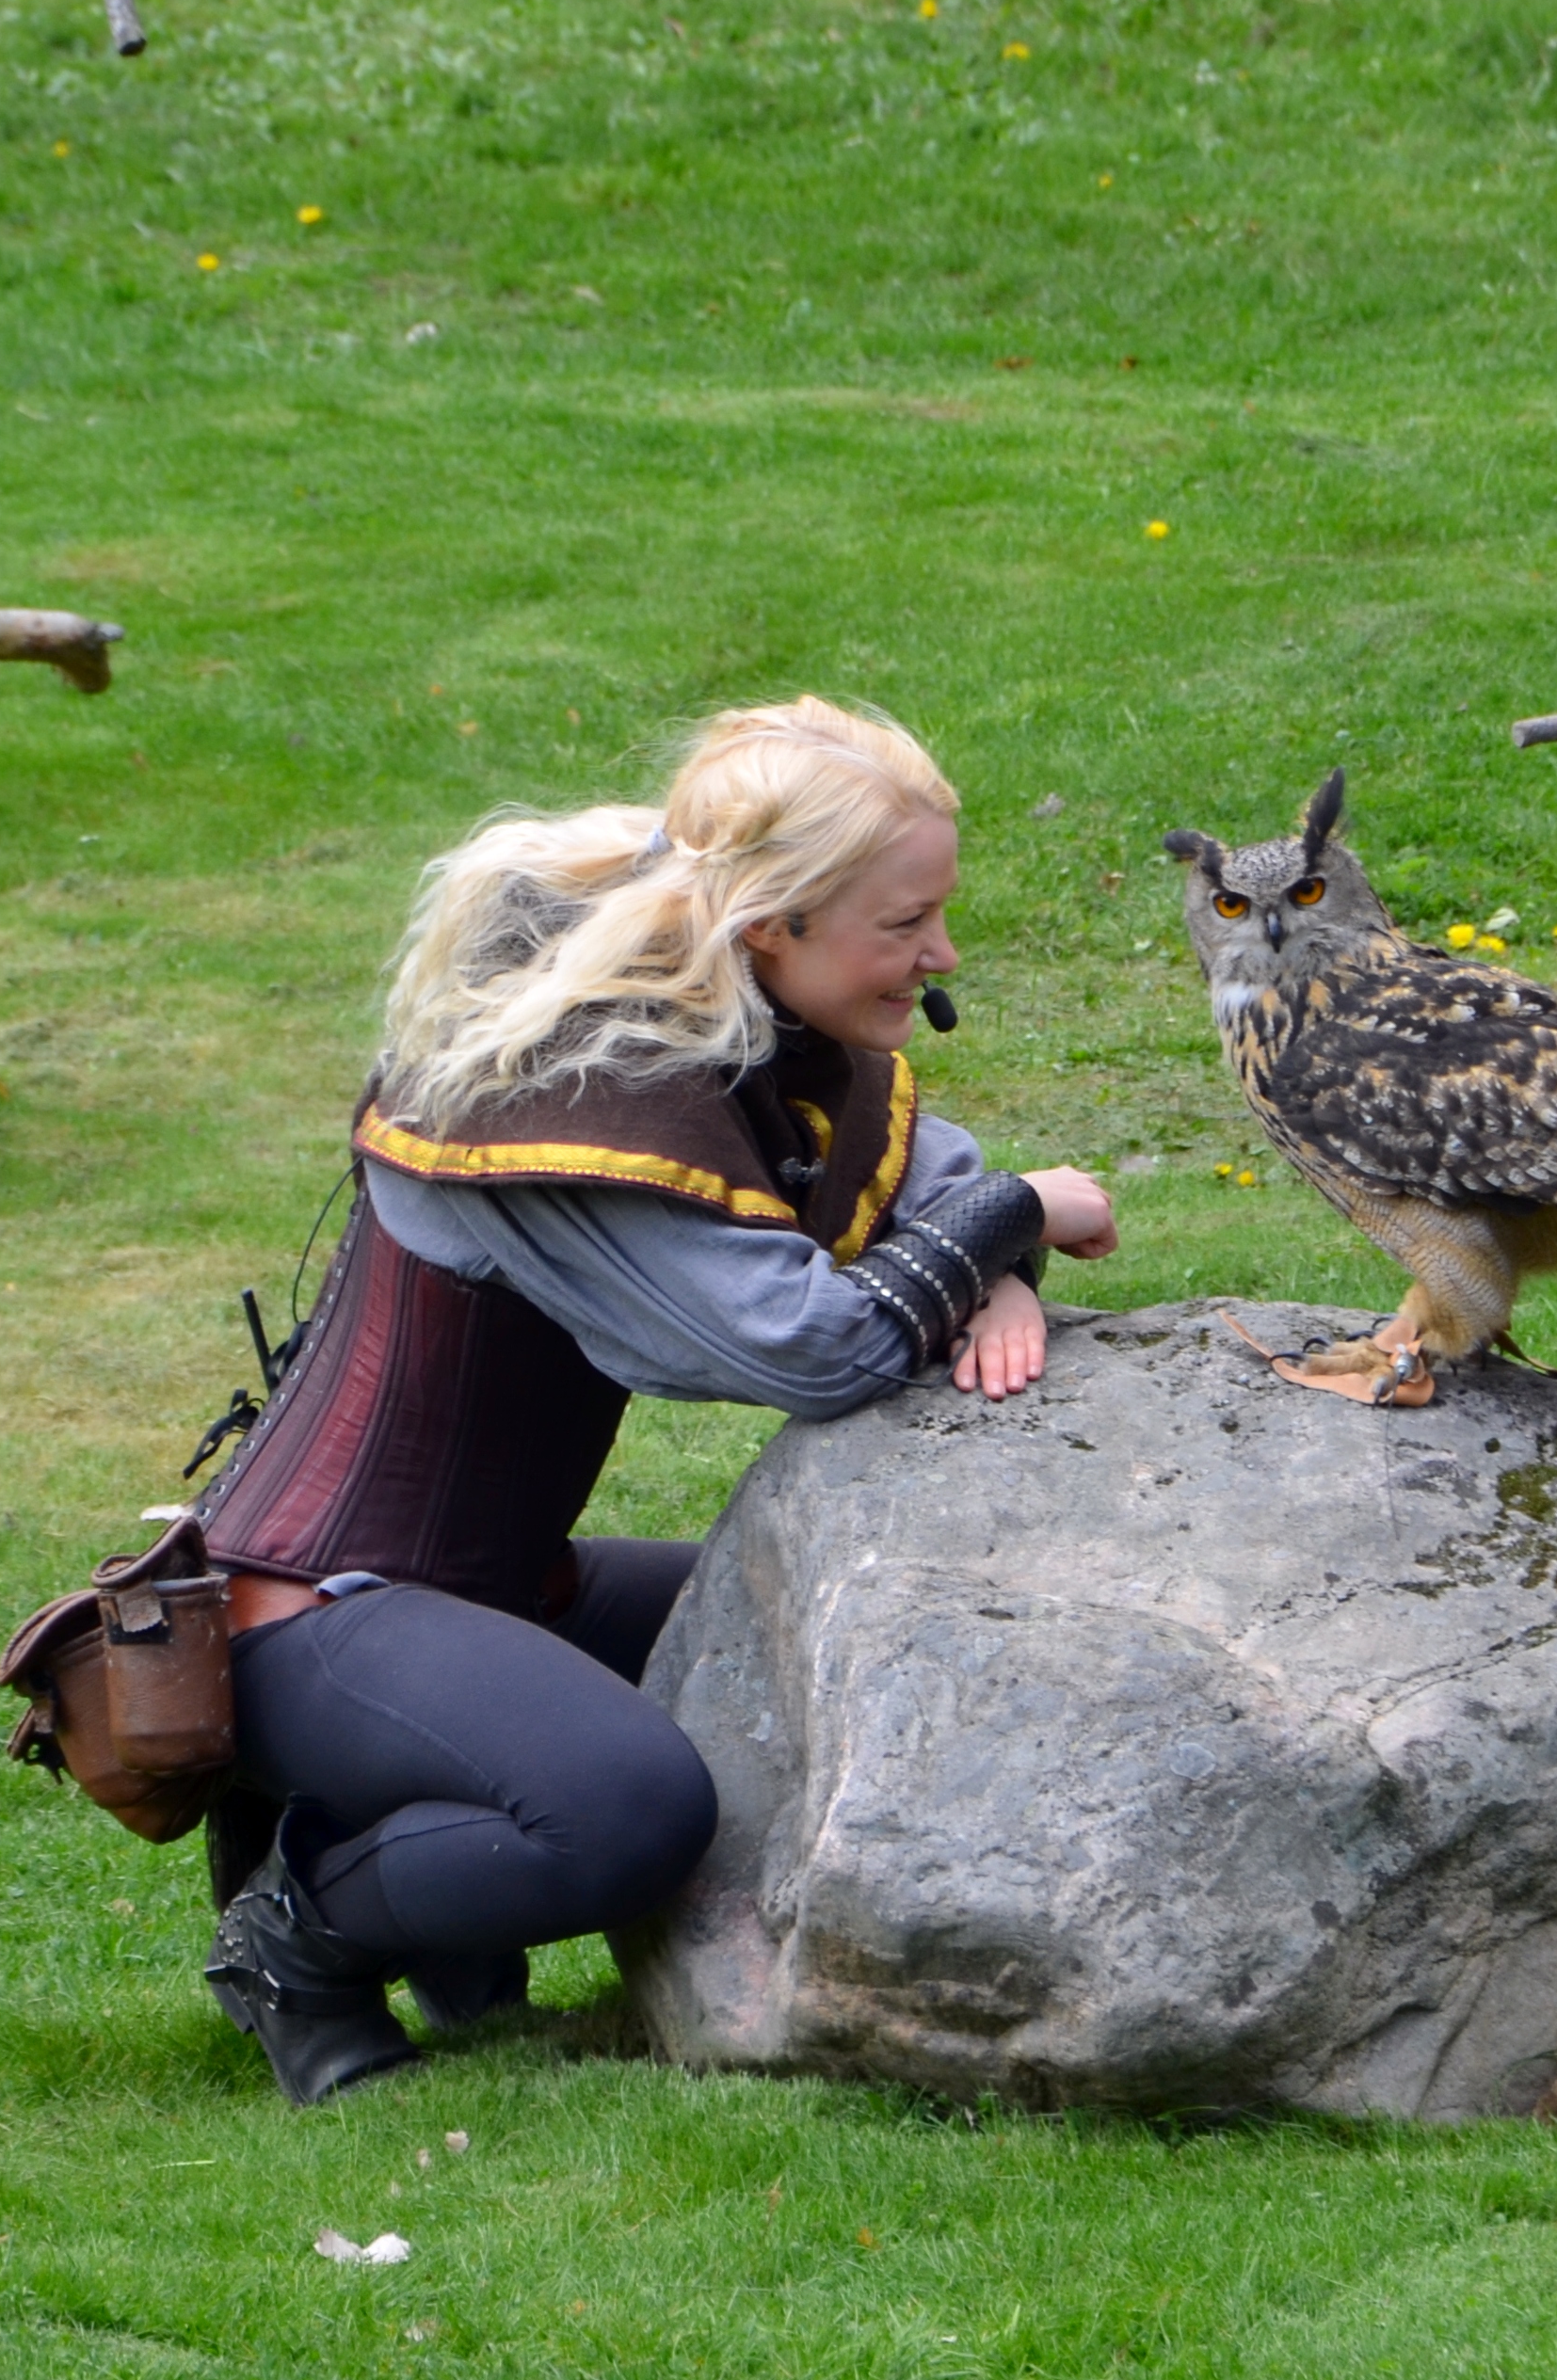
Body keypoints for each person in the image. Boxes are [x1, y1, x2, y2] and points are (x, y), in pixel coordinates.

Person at [187, 697, 1120, 2102]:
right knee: (630, 1811)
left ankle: (431, 1868)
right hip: (313, 1615)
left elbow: (929, 1188)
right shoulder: (567, 1076)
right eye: (905, 923)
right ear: (775, 923)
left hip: (507, 1593)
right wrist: (1015, 1213)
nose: (941, 955)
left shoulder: (743, 1016)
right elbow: (809, 1350)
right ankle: (299, 1928)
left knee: (859, 1638)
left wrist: (1001, 1268)